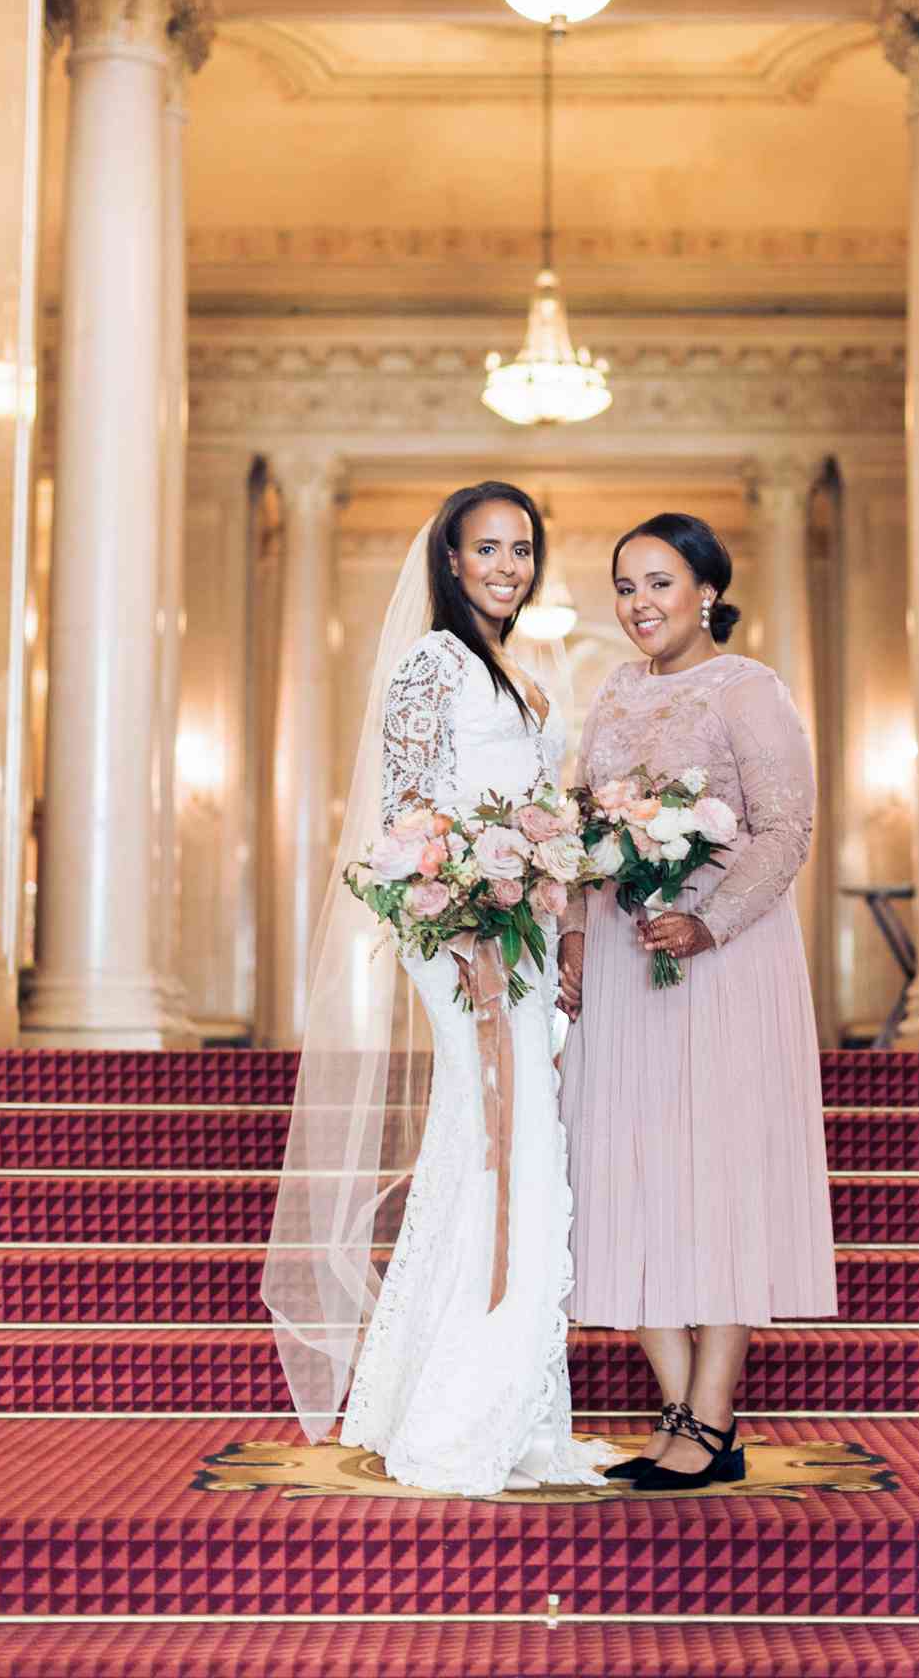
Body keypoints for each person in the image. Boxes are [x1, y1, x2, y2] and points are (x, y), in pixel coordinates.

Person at [264, 482, 611, 1497]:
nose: (507, 564)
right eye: (487, 547)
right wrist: (465, 914)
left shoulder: (519, 659)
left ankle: (503, 1401)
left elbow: (535, 801)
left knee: (502, 1143)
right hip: (464, 927)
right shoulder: (433, 661)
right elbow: (408, 809)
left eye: (521, 547)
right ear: (450, 561)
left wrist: (553, 885)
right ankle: (467, 1410)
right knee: (504, 1140)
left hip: (524, 923)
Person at [558, 511, 837, 1490]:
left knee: (717, 1173)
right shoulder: (611, 694)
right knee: (624, 1168)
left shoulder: (747, 687)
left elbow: (787, 826)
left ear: (706, 590)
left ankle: (712, 1414)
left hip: (722, 958)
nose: (640, 604)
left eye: (659, 582)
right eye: (626, 585)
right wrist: (577, 936)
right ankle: (680, 1406)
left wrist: (708, 919)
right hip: (629, 966)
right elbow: (585, 832)